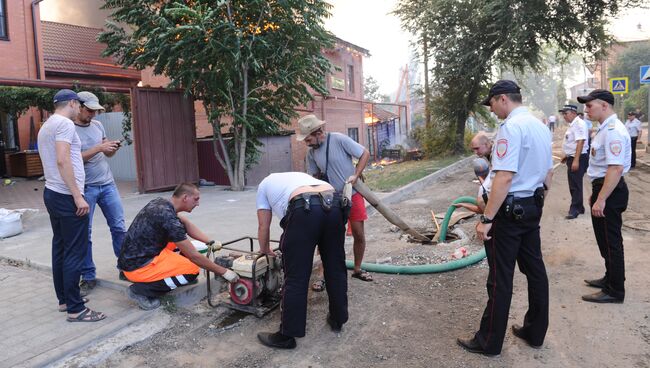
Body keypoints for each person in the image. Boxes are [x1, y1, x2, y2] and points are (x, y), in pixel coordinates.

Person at [457, 80, 553, 356]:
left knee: (500, 278)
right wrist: (538, 202)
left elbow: (505, 176)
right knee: (535, 271)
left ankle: (489, 341)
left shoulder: (511, 127)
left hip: (509, 213)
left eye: (493, 105)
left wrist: (487, 219)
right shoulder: (539, 126)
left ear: (502, 99)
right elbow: (548, 173)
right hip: (532, 206)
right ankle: (535, 332)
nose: (493, 111)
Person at [256, 172, 349, 349]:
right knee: (335, 268)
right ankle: (338, 319)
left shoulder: (264, 186)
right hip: (335, 203)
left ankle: (287, 336)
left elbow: (263, 225)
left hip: (304, 208)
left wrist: (264, 249)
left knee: (296, 276)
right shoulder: (301, 177)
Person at [38, 89, 106, 322]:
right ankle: (76, 310)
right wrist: (78, 195)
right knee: (74, 251)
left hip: (53, 192)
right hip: (67, 195)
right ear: (73, 103)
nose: (80, 109)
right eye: (79, 104)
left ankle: (65, 300)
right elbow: (62, 159)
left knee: (60, 247)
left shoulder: (47, 125)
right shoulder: (65, 125)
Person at [118, 183, 239, 310]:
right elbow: (194, 256)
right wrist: (224, 272)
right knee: (192, 270)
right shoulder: (169, 220)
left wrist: (210, 241)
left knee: (179, 242)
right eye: (196, 199)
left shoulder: (161, 203)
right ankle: (140, 291)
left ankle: (133, 274)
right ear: (185, 198)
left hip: (131, 258)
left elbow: (186, 223)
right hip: (137, 267)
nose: (198, 204)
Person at [296, 114, 372, 291]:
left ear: (318, 132)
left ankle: (358, 269)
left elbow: (364, 153)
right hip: (331, 200)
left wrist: (356, 174)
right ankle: (323, 275)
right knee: (328, 238)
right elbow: (314, 176)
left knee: (359, 234)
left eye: (308, 139)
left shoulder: (339, 140)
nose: (307, 143)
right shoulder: (311, 152)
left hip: (352, 194)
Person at [578, 89, 631, 304]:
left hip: (611, 190)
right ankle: (610, 277)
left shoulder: (613, 130)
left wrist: (601, 198)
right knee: (604, 239)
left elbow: (615, 169)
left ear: (604, 106)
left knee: (611, 242)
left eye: (590, 105)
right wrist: (597, 195)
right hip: (604, 188)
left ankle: (615, 290)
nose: (586, 109)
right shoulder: (604, 128)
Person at [74, 91, 127, 296]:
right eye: (89, 110)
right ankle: (88, 275)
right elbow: (73, 159)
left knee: (119, 227)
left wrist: (111, 148)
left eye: (95, 111)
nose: (93, 115)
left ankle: (125, 267)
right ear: (78, 106)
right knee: (84, 234)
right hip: (86, 188)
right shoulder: (69, 129)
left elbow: (107, 152)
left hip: (107, 184)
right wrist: (98, 148)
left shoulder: (97, 125)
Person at [559, 104, 589, 219]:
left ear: (573, 113)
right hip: (573, 156)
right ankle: (580, 207)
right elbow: (572, 143)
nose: (564, 116)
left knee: (575, 185)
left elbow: (580, 141)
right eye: (563, 114)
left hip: (579, 157)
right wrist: (567, 156)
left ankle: (575, 209)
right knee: (574, 183)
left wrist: (576, 160)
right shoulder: (573, 125)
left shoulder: (579, 124)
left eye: (565, 113)